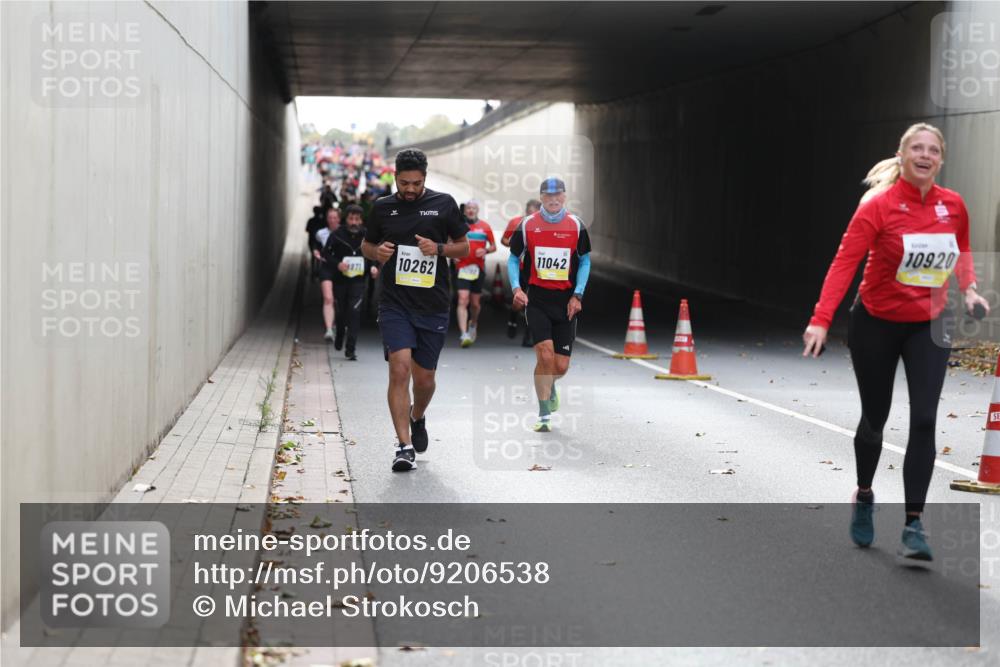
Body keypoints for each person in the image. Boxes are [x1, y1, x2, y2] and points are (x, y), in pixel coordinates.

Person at [802, 122, 989, 565]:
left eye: (932, 150)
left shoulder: (953, 205)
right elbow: (844, 263)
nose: (924, 155)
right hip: (876, 323)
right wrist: (821, 320)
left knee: (924, 420)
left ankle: (913, 524)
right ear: (902, 156)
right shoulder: (878, 206)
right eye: (916, 149)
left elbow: (961, 248)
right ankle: (865, 494)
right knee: (875, 417)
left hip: (929, 323)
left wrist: (969, 289)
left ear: (940, 159)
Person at [362, 149, 469, 472]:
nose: (410, 189)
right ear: (395, 177)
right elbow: (366, 245)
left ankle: (417, 415)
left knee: (424, 380)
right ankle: (403, 446)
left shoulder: (444, 204)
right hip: (394, 303)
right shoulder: (382, 207)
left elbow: (464, 247)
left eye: (416, 183)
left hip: (432, 305)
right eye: (404, 183)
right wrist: (376, 253)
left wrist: (438, 248)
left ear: (425, 178)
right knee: (399, 369)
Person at [508, 178, 591, 433]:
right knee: (544, 356)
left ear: (564, 196)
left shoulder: (576, 225)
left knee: (560, 366)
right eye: (548, 195)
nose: (553, 200)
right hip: (538, 300)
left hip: (565, 301)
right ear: (541, 197)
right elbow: (513, 258)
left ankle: (550, 384)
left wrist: (578, 295)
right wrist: (516, 288)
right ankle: (544, 414)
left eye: (558, 195)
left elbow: (585, 261)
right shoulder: (528, 225)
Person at [328, 204, 378, 360]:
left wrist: (373, 267)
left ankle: (351, 349)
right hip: (340, 281)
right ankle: (340, 333)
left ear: (361, 220)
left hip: (358, 281)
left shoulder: (367, 236)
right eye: (351, 219)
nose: (354, 222)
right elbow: (326, 254)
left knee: (354, 312)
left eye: (357, 219)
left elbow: (374, 253)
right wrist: (338, 264)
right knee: (341, 313)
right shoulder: (337, 235)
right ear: (346, 219)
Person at [454, 200, 497, 347]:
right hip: (462, 267)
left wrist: (485, 250)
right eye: (468, 208)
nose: (471, 210)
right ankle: (463, 334)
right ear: (464, 211)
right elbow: (449, 242)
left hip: (478, 268)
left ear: (477, 210)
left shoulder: (485, 227)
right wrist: (453, 255)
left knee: (475, 304)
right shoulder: (458, 226)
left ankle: (473, 323)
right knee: (462, 299)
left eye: (473, 208)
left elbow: (494, 246)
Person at [501, 199, 542, 344]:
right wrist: (516, 244)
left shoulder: (544, 225)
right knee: (519, 303)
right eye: (529, 212)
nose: (531, 215)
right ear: (525, 211)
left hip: (536, 270)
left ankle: (528, 335)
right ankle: (512, 319)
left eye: (534, 213)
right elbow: (504, 240)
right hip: (519, 269)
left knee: (533, 303)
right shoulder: (516, 223)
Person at [314, 207, 342, 341]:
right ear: (327, 219)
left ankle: (337, 323)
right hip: (326, 267)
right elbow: (316, 246)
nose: (332, 220)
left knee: (339, 300)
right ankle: (329, 329)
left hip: (341, 268)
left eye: (335, 217)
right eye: (330, 217)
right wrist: (316, 252)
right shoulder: (321, 233)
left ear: (339, 219)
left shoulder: (345, 232)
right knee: (328, 298)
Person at [305, 205, 327, 282]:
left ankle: (313, 271)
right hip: (319, 242)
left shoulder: (311, 220)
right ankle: (317, 271)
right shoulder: (323, 221)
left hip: (312, 241)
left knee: (313, 256)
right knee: (318, 256)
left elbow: (307, 230)